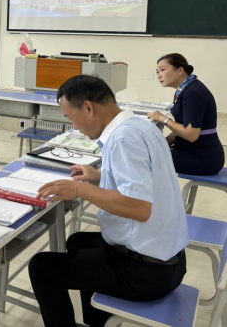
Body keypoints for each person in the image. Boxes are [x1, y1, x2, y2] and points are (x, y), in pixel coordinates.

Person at [28, 75, 188, 327]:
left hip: (148, 273)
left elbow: (139, 208)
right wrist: (99, 176)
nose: (75, 127)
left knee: (41, 267)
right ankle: (97, 320)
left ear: (88, 108)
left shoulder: (123, 139)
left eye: (71, 118)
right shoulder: (141, 126)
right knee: (77, 242)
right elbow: (145, 179)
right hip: (170, 258)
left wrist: (79, 189)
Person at [147, 53, 224, 176]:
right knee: (147, 150)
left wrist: (162, 118)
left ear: (180, 70)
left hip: (203, 158)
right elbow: (182, 127)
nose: (159, 75)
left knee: (143, 156)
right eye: (157, 72)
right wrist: (164, 142)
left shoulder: (193, 92)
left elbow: (191, 135)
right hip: (191, 151)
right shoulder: (184, 89)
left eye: (162, 70)